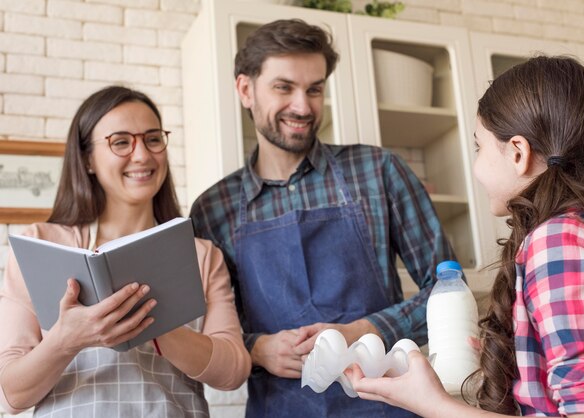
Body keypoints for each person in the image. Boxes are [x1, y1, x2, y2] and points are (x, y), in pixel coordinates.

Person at [189, 18, 456, 418]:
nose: (302, 106)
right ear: (245, 89)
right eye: (284, 87)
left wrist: (361, 332)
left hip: (386, 405)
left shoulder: (378, 171)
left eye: (314, 89)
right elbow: (210, 338)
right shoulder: (213, 209)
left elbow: (449, 290)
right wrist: (257, 348)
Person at [346, 56, 584, 417]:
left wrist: (433, 405)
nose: (477, 167)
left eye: (479, 147)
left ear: (518, 153)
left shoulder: (559, 240)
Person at [0, 86, 251, 417]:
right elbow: (11, 394)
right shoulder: (40, 244)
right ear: (88, 159)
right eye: (121, 142)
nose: (142, 155)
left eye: (153, 139)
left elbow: (233, 370)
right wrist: (66, 340)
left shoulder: (201, 254)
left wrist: (157, 327)